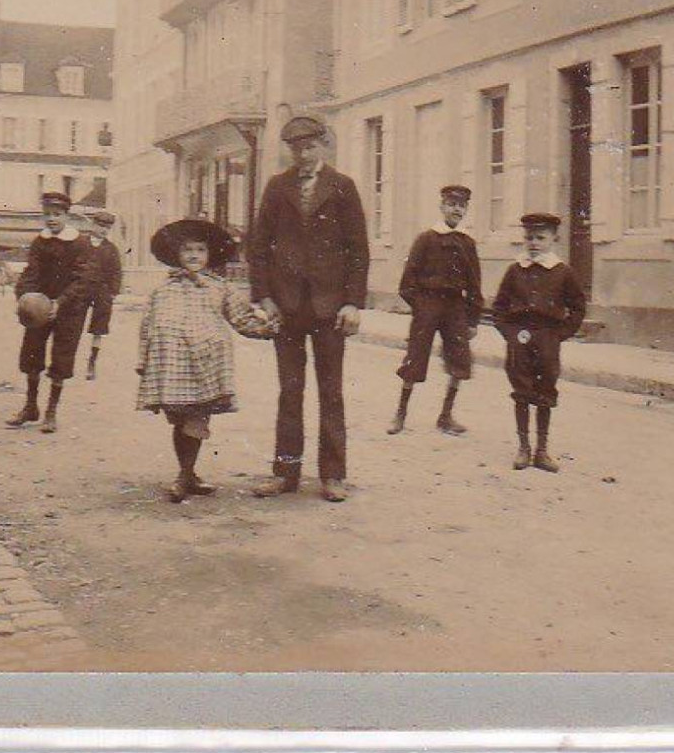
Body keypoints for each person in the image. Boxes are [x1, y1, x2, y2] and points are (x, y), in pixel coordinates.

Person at [245, 114, 370, 503]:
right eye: (296, 148)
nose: (303, 153)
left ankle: (333, 476)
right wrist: (264, 297)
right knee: (290, 391)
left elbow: (357, 251)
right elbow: (258, 246)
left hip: (330, 307)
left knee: (331, 392)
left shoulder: (343, 187)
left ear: (324, 146)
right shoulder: (276, 187)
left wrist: (352, 302)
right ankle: (285, 472)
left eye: (310, 146)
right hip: (287, 307)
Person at [135, 218, 273, 502]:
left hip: (206, 365)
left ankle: (183, 477)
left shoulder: (219, 287)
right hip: (173, 366)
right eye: (188, 250)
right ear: (178, 254)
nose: (194, 256)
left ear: (209, 255)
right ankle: (189, 473)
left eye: (200, 250)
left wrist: (267, 329)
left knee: (196, 419)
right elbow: (148, 326)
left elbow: (241, 317)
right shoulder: (164, 290)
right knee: (179, 421)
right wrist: (143, 360)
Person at [491, 212, 588, 472]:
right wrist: (509, 333)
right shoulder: (515, 270)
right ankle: (523, 447)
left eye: (540, 238)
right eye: (529, 237)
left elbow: (578, 307)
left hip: (547, 338)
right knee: (521, 389)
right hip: (519, 338)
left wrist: (560, 334)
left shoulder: (562, 272)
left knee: (545, 390)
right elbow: (498, 306)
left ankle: (542, 450)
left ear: (553, 239)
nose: (533, 243)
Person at [388, 184, 483, 436]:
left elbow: (475, 283)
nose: (456, 209)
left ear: (465, 210)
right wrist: (421, 307)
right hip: (427, 305)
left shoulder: (467, 243)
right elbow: (407, 283)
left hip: (455, 308)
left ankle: (446, 415)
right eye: (452, 204)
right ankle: (400, 414)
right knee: (415, 358)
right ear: (442, 206)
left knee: (459, 360)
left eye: (461, 206)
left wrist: (472, 319)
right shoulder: (426, 239)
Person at [6, 190, 95, 434]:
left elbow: (82, 279)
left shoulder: (80, 243)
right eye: (47, 214)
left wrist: (60, 302)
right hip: (40, 307)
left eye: (57, 214)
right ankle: (30, 406)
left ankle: (51, 412)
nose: (52, 219)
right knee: (32, 354)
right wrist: (24, 296)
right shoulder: (39, 242)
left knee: (61, 358)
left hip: (70, 309)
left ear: (67, 215)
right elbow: (30, 273)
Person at [82, 210, 124, 381]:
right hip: (81, 288)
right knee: (72, 320)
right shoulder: (81, 243)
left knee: (99, 327)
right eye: (100, 226)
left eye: (107, 227)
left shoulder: (111, 249)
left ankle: (92, 362)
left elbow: (116, 272)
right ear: (92, 225)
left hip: (101, 291)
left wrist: (112, 292)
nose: (103, 230)